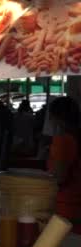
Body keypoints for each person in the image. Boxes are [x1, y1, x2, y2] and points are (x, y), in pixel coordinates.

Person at [47, 97, 81, 233]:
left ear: (56, 118)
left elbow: (59, 178)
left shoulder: (63, 141)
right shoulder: (76, 137)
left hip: (65, 209)